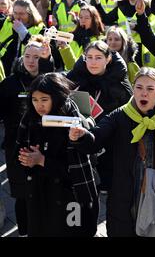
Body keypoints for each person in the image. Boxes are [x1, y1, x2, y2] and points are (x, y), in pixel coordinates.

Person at [69, 67, 155, 236]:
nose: (144, 93)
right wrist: (81, 136)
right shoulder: (120, 115)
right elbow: (96, 139)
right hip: (125, 197)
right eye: (139, 87)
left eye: (150, 89)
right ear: (133, 89)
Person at [15, 72, 98, 236]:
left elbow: (75, 171)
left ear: (56, 97)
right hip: (38, 194)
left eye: (44, 100)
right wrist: (26, 160)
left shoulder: (73, 121)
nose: (39, 106)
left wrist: (42, 160)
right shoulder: (29, 119)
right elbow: (18, 154)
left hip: (70, 198)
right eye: (35, 100)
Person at [0, 37, 54, 237]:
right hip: (17, 146)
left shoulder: (50, 80)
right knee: (22, 196)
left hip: (45, 145)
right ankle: (23, 233)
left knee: (44, 193)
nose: (31, 61)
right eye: (27, 56)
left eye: (37, 56)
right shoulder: (10, 83)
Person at [67, 41, 133, 192]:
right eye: (89, 57)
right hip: (83, 131)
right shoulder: (77, 74)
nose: (93, 62)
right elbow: (56, 87)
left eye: (98, 57)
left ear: (108, 59)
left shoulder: (119, 80)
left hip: (110, 135)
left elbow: (129, 109)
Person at [0, 0, 47, 77]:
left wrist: (24, 33)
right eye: (15, 13)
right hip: (4, 71)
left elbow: (42, 52)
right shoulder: (6, 22)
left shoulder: (40, 28)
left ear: (30, 14)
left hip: (27, 73)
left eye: (22, 14)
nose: (18, 17)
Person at [57, 5, 105, 70]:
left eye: (87, 18)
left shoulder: (99, 39)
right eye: (81, 17)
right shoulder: (72, 36)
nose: (83, 20)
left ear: (94, 19)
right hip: (70, 73)